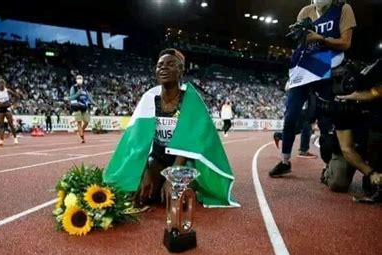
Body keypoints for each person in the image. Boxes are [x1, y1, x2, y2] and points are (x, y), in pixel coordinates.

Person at [104, 49, 239, 208]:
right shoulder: (149, 98)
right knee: (141, 194)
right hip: (157, 158)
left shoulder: (190, 100)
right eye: (160, 65)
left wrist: (173, 176)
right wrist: (143, 171)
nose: (163, 68)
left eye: (170, 64)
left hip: (183, 161)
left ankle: (191, 187)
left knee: (177, 201)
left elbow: (190, 141)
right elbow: (138, 140)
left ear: (181, 70)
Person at [269, 0, 356, 177]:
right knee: (291, 114)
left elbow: (346, 43)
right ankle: (285, 160)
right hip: (305, 65)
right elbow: (301, 45)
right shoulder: (305, 11)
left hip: (329, 63)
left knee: (325, 118)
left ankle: (329, 164)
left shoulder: (343, 9)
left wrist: (320, 38)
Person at [0, 79, 21, 146]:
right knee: (1, 126)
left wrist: (12, 104)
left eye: (3, 84)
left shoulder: (7, 90)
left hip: (7, 108)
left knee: (11, 124)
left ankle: (15, 138)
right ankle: (1, 140)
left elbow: (17, 97)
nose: (2, 85)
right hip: (0, 109)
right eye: (0, 83)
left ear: (4, 84)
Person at [70, 75, 94, 143]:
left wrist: (94, 103)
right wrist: (77, 93)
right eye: (78, 79)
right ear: (76, 80)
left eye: (81, 79)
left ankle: (81, 131)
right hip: (76, 107)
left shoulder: (84, 88)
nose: (80, 80)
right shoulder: (73, 88)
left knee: (87, 121)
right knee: (79, 122)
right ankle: (82, 137)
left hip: (84, 107)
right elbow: (71, 97)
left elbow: (89, 97)